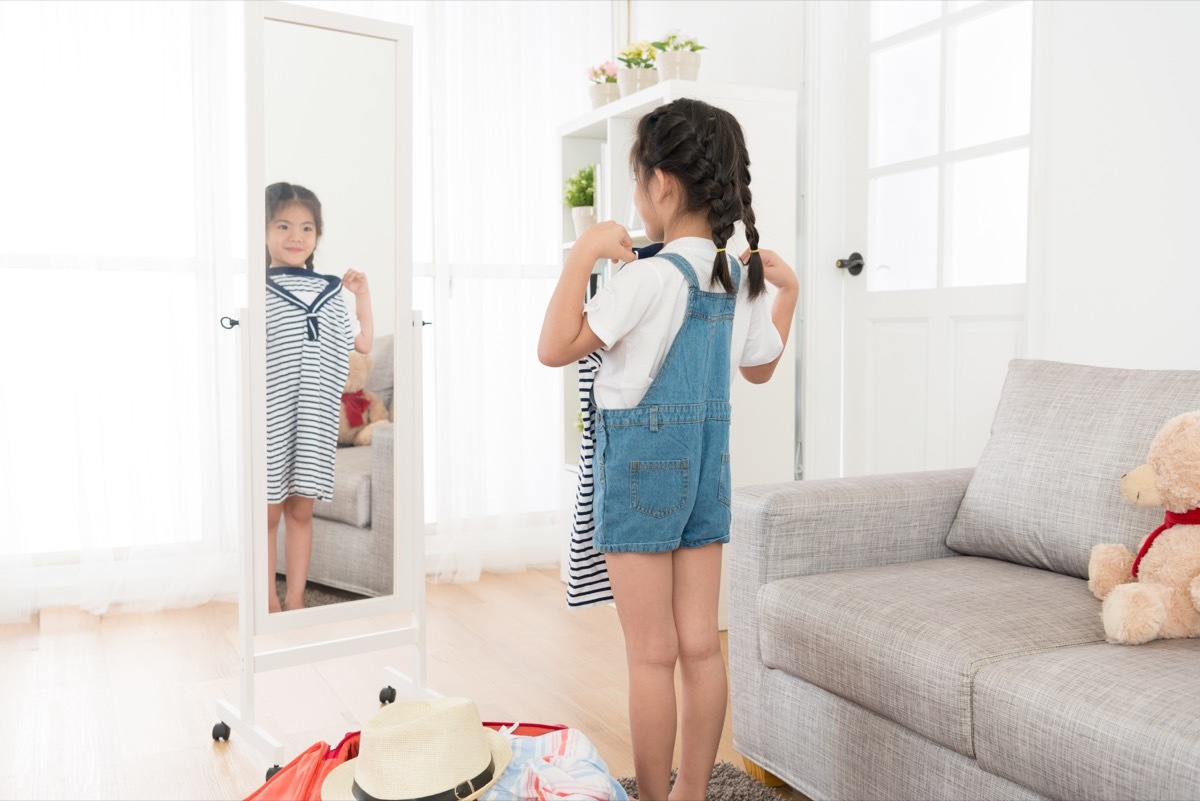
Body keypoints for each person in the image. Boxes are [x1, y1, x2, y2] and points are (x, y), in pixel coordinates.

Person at [537, 98, 799, 801]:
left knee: (650, 657)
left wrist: (585, 253)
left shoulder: (646, 278)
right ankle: (691, 795)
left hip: (644, 474)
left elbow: (554, 347)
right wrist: (790, 291)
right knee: (700, 646)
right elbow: (760, 367)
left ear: (662, 185)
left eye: (635, 184)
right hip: (708, 474)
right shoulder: (734, 279)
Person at [264, 182, 374, 612]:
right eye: (284, 225)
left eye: (307, 228)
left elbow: (363, 342)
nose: (296, 237)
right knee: (267, 515)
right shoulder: (257, 290)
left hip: (314, 422)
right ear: (264, 231)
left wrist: (361, 295)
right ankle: (266, 601)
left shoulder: (329, 291)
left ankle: (294, 601)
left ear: (318, 236)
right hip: (271, 422)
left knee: (300, 511)